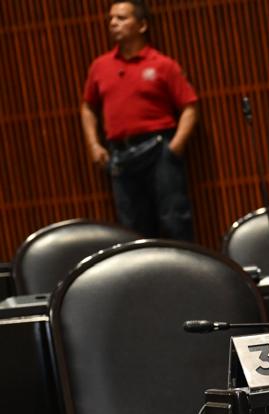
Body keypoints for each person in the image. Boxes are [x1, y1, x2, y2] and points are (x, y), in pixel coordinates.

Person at [80, 1, 197, 241]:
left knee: (174, 220)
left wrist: (175, 146)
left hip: (159, 150)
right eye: (111, 19)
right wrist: (94, 144)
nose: (113, 23)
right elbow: (87, 107)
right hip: (119, 154)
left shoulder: (162, 64)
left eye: (121, 18)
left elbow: (190, 106)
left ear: (142, 25)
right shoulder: (100, 66)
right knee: (132, 227)